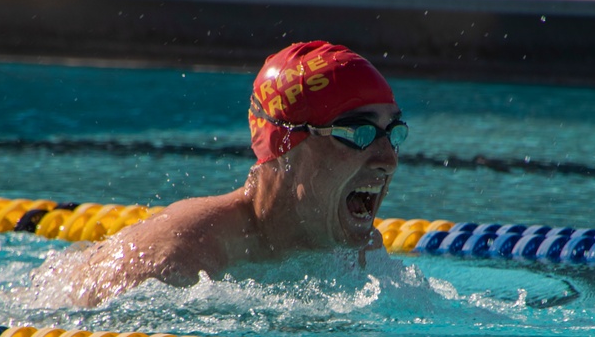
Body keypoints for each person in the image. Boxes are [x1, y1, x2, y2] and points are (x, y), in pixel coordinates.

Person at [53, 41, 407, 307]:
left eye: (393, 132)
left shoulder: (359, 252)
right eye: (359, 133)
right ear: (287, 143)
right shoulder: (181, 258)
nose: (387, 160)